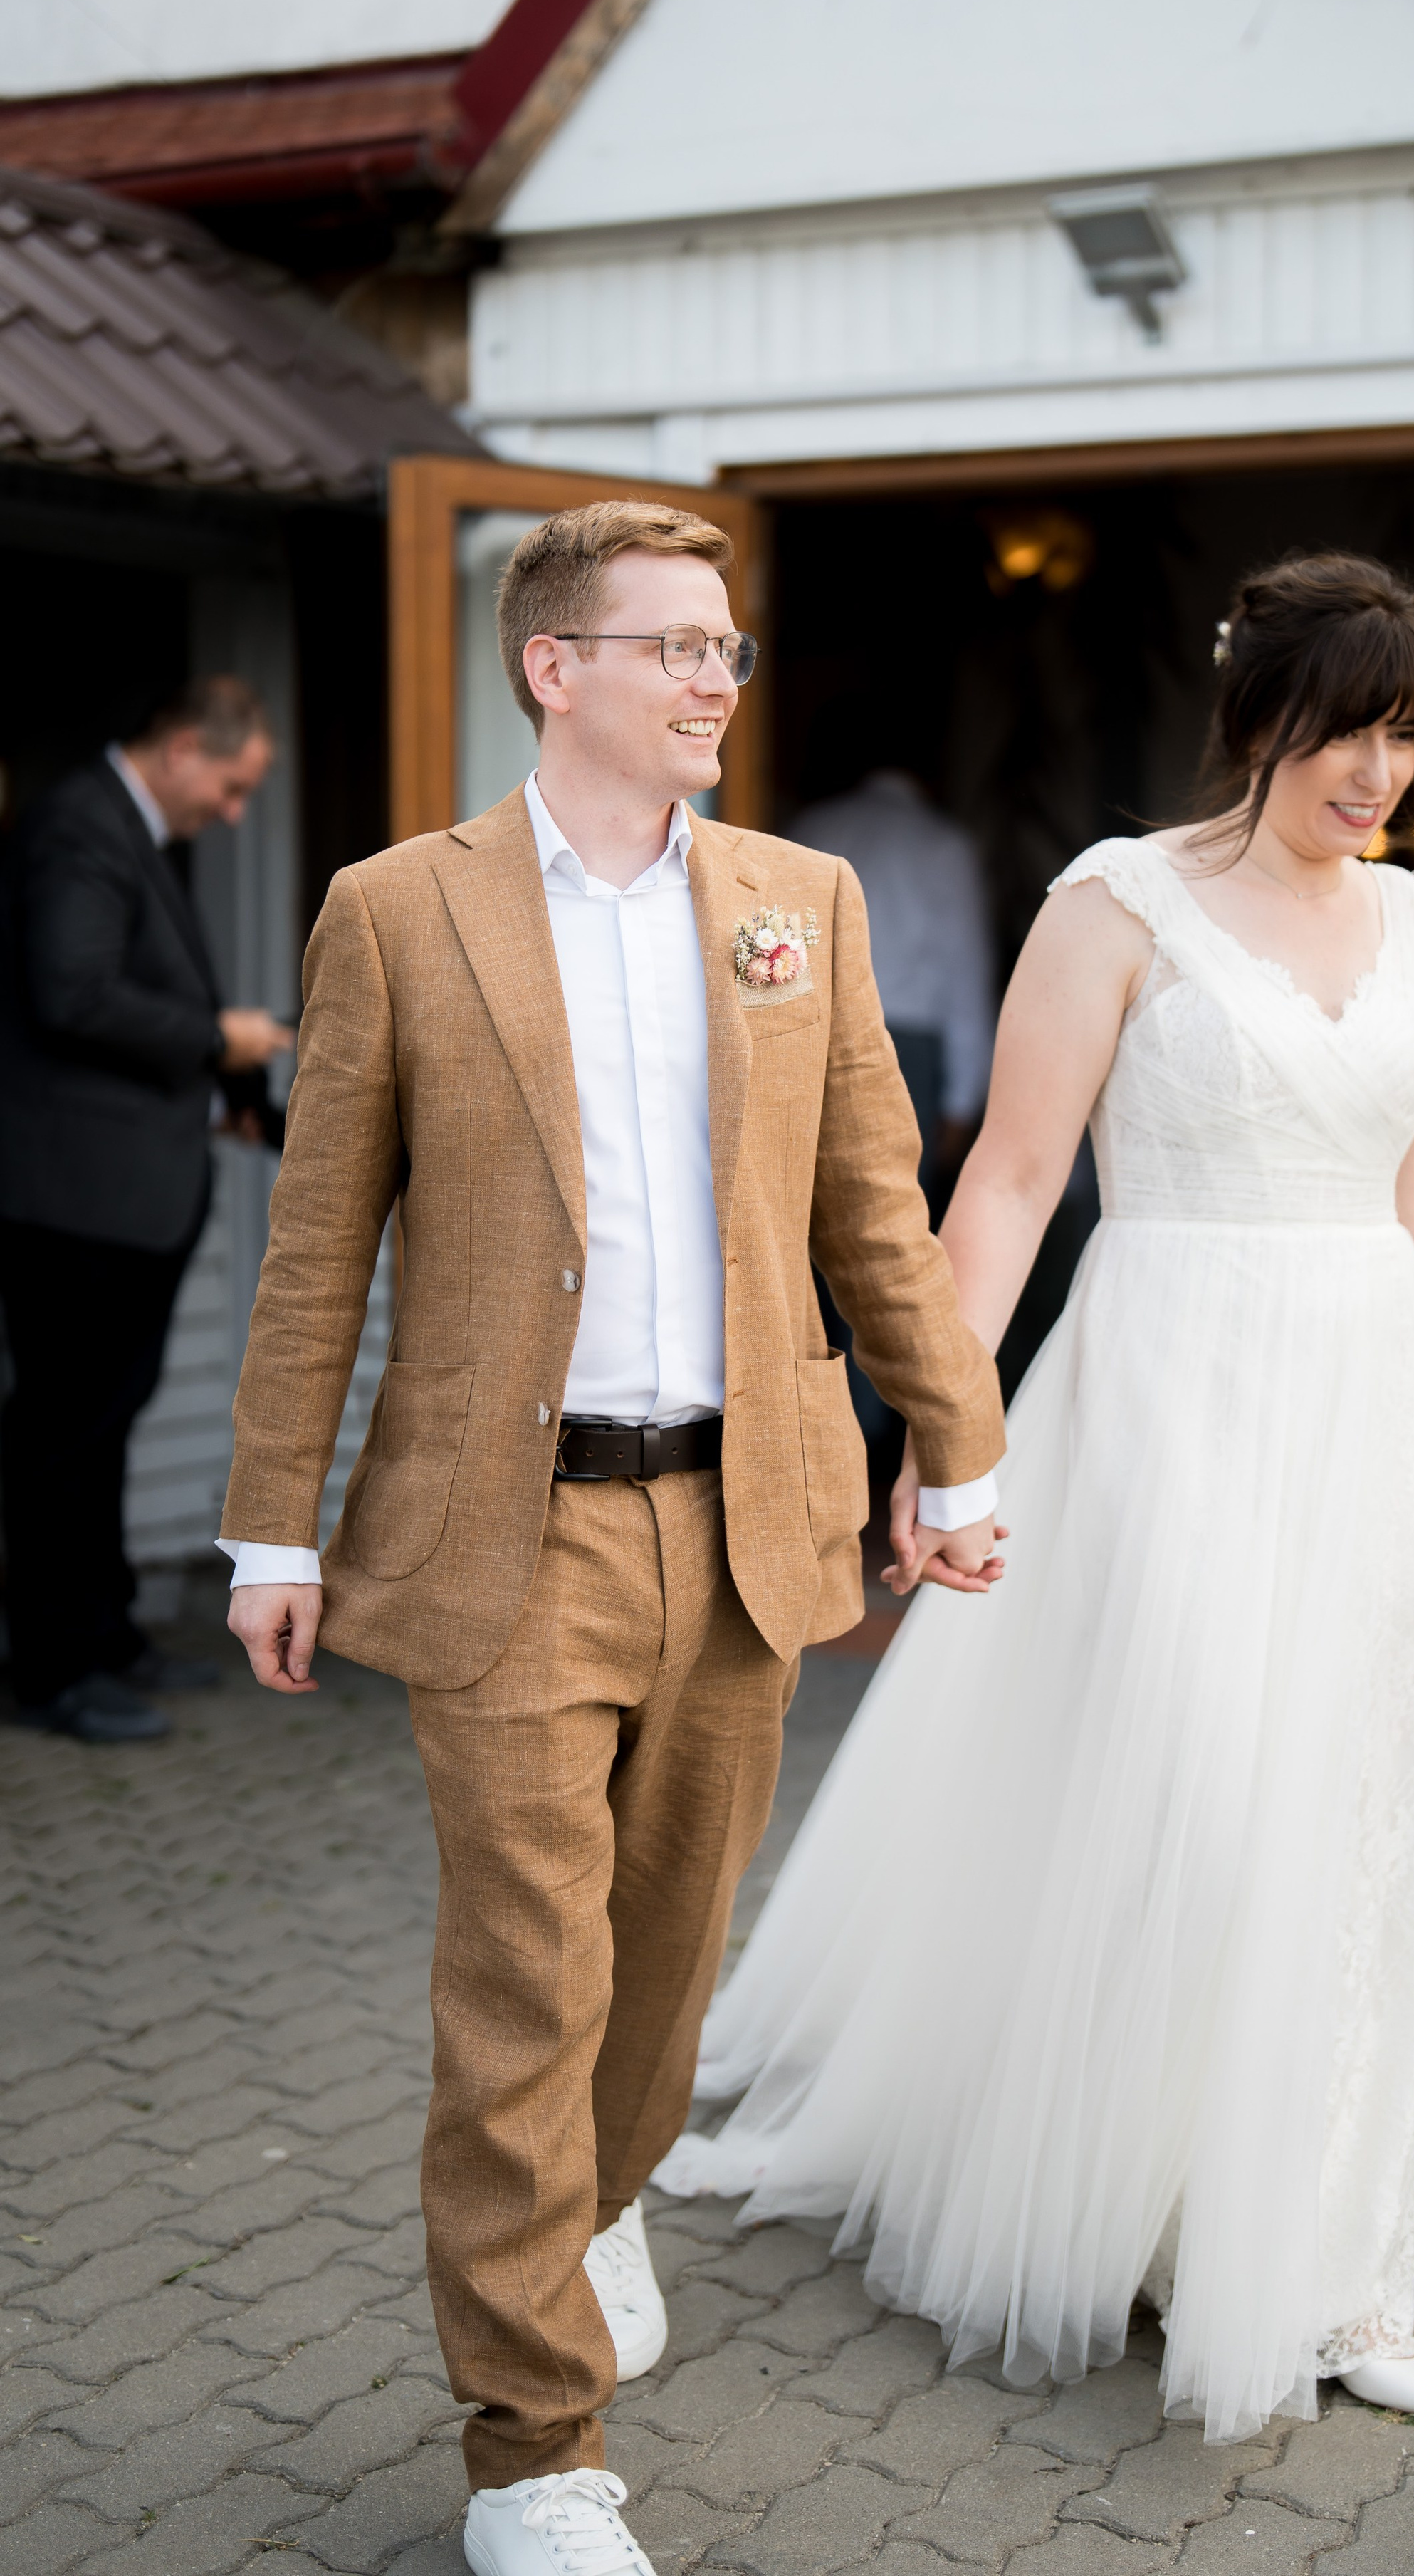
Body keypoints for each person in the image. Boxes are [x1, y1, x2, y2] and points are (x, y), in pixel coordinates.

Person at [655, 554, 1414, 2441]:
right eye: (1348, 724)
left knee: (1351, 1831)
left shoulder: (1408, 923)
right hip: (1166, 1391)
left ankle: (1328, 2267)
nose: (1380, 769)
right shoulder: (1115, 902)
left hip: (1364, 1405)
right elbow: (1001, 1186)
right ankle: (1153, 2215)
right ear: (1257, 719)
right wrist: (937, 1427)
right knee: (1204, 1805)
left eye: (1406, 731)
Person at [216, 501, 1006, 2576]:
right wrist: (267, 1530)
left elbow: (871, 1205)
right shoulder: (401, 912)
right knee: (525, 1986)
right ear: (551, 668)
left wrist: (960, 1447)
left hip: (747, 1522)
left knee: (660, 1991)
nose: (715, 683)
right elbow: (318, 1254)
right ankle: (535, 2453)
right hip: (507, 1537)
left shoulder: (797, 904)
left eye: (728, 650)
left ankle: (595, 2197)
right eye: (672, 647)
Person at [0, 678, 289, 1743]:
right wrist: (222, 1039)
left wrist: (231, 1097)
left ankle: (106, 1632)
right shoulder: (83, 826)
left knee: (103, 1424)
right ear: (178, 748)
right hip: (78, 1201)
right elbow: (71, 995)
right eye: (232, 783)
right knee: (65, 1434)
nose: (233, 810)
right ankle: (57, 1668)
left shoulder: (124, 829)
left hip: (119, 1193)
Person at [792, 753, 995, 1177]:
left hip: (812, 1035)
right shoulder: (943, 843)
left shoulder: (811, 827)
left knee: (809, 1209)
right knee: (898, 1210)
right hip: (908, 1053)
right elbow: (965, 974)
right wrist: (962, 1103)